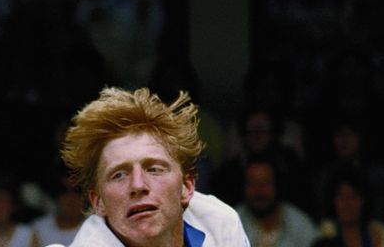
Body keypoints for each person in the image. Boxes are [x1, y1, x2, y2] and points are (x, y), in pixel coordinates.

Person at [48, 87, 250, 246]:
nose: (138, 185)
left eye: (154, 169)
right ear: (98, 202)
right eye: (118, 175)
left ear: (187, 187)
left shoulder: (219, 223)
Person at [235, 155, 318, 247]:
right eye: (252, 183)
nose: (258, 190)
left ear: (278, 185)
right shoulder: (231, 223)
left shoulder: (300, 226)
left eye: (265, 182)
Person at [313, 169, 384, 247]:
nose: (347, 203)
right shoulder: (323, 236)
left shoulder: (379, 236)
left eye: (353, 196)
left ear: (364, 200)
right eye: (341, 196)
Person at [29, 174, 84, 247]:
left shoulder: (95, 228)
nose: (70, 198)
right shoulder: (39, 229)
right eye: (63, 191)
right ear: (56, 196)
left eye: (77, 191)